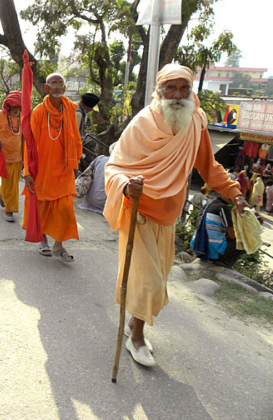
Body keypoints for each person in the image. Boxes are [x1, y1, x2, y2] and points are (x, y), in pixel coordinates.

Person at [104, 64, 247, 367]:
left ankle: (134, 325)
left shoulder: (195, 121)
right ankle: (137, 336)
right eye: (172, 88)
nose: (178, 95)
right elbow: (114, 167)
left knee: (154, 281)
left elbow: (209, 167)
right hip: (139, 213)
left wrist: (233, 191)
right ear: (160, 92)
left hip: (170, 219)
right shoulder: (142, 124)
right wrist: (126, 185)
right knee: (149, 282)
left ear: (191, 91)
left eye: (184, 88)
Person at [23, 73, 82, 262]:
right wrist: (27, 171)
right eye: (53, 83)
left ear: (64, 88)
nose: (57, 87)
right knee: (42, 208)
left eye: (60, 84)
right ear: (46, 88)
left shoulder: (71, 110)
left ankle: (59, 245)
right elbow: (29, 144)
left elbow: (77, 138)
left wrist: (76, 161)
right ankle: (43, 241)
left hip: (64, 169)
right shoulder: (39, 112)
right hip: (43, 169)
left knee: (65, 209)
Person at [0, 91, 23, 223]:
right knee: (9, 185)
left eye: (18, 107)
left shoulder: (23, 116)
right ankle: (10, 210)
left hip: (18, 157)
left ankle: (2, 192)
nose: (16, 110)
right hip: (4, 157)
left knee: (14, 184)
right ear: (7, 106)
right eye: (13, 107)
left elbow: (26, 138)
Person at [191, 195, 243, 268]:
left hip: (197, 245)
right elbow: (232, 235)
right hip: (210, 249)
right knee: (241, 241)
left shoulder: (209, 204)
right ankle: (224, 264)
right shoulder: (223, 208)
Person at [76, 93, 100, 172]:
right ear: (87, 106)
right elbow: (74, 133)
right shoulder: (78, 113)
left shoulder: (83, 112)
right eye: (91, 107)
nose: (91, 110)